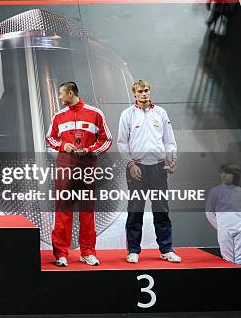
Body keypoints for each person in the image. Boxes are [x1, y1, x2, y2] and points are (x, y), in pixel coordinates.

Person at [45, 81, 112, 267]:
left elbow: (107, 140)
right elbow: (50, 137)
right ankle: (60, 254)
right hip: (65, 166)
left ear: (70, 93)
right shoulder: (59, 116)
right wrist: (62, 145)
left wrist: (91, 150)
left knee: (87, 211)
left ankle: (88, 252)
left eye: (61, 94)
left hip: (87, 167)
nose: (59, 97)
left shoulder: (95, 113)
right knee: (63, 210)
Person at [118, 79, 181, 263]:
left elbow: (169, 141)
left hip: (159, 167)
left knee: (161, 209)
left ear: (149, 91)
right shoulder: (127, 114)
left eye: (146, 90)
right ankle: (134, 251)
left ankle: (166, 249)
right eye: (140, 91)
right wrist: (130, 164)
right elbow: (122, 143)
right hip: (137, 168)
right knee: (135, 210)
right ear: (134, 94)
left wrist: (172, 160)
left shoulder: (160, 112)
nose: (144, 93)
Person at [205, 164, 241, 264]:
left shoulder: (239, 191)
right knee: (227, 259)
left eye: (228, 173)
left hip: (239, 228)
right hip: (224, 229)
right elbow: (209, 212)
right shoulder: (215, 191)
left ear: (235, 175)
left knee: (239, 259)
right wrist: (220, 226)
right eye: (222, 173)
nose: (224, 175)